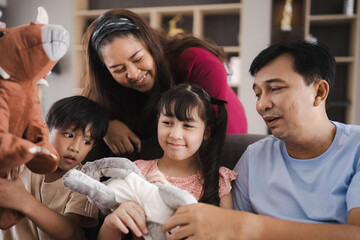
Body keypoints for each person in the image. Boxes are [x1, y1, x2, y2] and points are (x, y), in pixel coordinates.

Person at [161, 40, 360, 239]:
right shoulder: (255, 156)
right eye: (258, 94)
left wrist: (244, 226)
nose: (261, 105)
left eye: (275, 89)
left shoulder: (356, 148)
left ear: (319, 92)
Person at [82, 8, 248, 157]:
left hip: (221, 145)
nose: (133, 74)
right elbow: (80, 113)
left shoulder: (198, 62)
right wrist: (106, 125)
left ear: (150, 44)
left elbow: (205, 131)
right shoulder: (109, 86)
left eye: (138, 59)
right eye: (118, 70)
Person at [97, 84, 238, 239]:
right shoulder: (137, 172)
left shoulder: (218, 180)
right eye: (167, 123)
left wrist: (172, 197)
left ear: (206, 132)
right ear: (158, 122)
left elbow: (229, 235)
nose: (175, 134)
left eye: (188, 125)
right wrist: (111, 222)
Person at [0, 95, 109, 240]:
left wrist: (23, 201)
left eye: (86, 142)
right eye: (69, 135)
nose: (75, 148)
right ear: (45, 130)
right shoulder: (23, 159)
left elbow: (69, 231)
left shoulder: (86, 180)